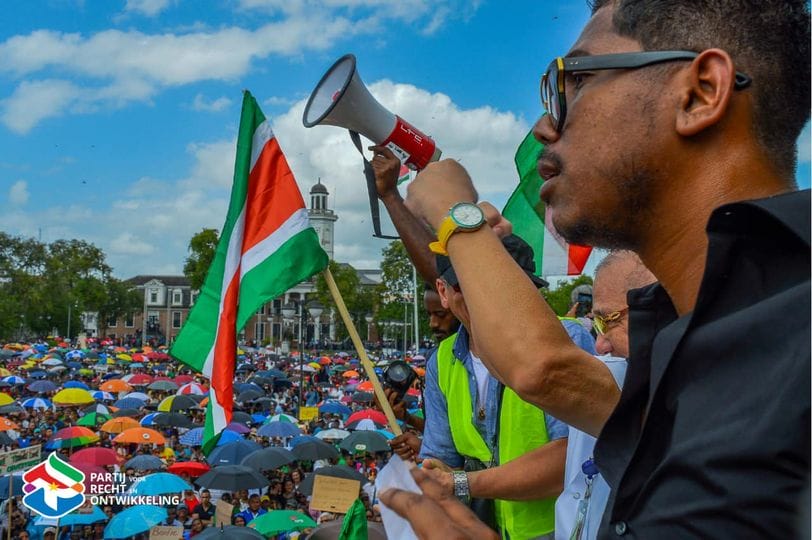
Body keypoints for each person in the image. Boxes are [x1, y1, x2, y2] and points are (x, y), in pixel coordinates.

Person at [381, 0, 810, 537]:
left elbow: (544, 369)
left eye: (574, 83)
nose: (543, 126)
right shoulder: (676, 344)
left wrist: (459, 219)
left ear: (700, 93)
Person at [420, 235, 595, 540]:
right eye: (469, 285)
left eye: (501, 282)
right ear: (443, 292)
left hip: (560, 530)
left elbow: (573, 460)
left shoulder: (565, 339)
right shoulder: (442, 359)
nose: (485, 295)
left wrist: (462, 483)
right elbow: (440, 460)